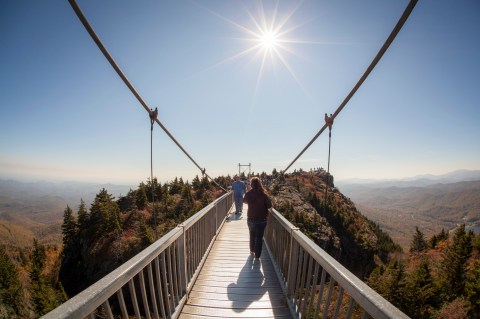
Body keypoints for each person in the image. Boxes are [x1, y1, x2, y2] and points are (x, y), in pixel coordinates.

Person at [243, 177, 272, 259]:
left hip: (251, 219)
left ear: (251, 185)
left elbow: (244, 201)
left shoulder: (248, 194)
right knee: (259, 238)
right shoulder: (264, 195)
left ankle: (252, 251)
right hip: (262, 220)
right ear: (260, 184)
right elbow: (269, 206)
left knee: (252, 235)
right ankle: (257, 256)